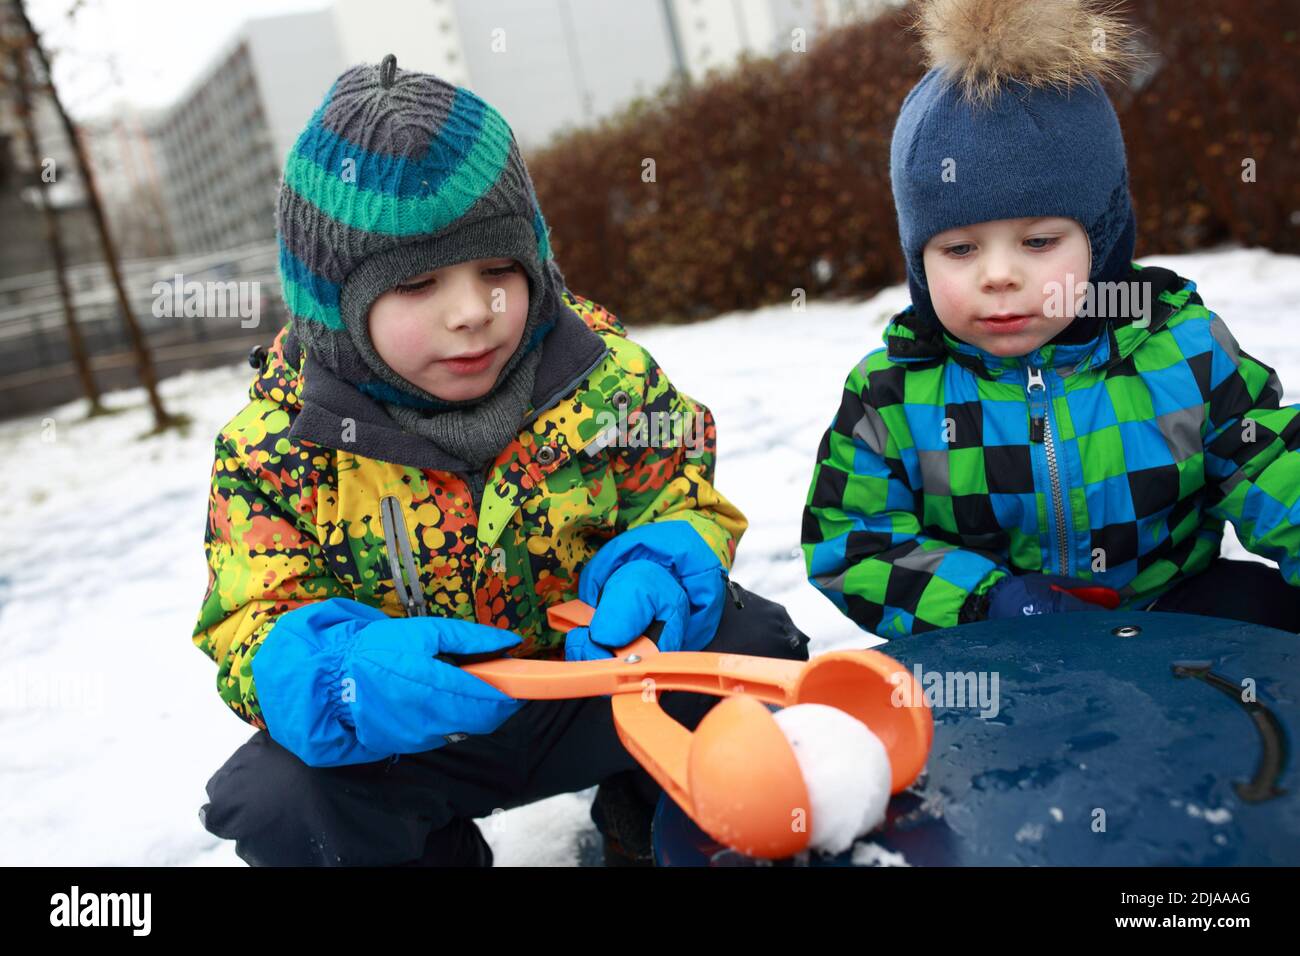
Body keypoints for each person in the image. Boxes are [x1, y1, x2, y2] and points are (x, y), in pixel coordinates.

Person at [194, 55, 809, 866]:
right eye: (417, 284)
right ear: (332, 307)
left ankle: (655, 812)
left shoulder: (601, 376)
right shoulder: (279, 449)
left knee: (750, 643)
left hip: (597, 690)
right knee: (279, 801)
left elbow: (677, 493)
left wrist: (660, 563)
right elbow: (248, 618)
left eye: (496, 271)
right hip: (417, 740)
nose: (471, 314)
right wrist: (347, 677)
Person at [802, 0, 1300, 638]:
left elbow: (1270, 463)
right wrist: (986, 602)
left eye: (1039, 243)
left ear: (1105, 241)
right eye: (959, 249)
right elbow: (851, 539)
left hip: (1169, 618)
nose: (999, 275)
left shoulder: (1179, 352)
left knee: (1263, 612)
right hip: (996, 651)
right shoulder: (894, 394)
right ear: (918, 263)